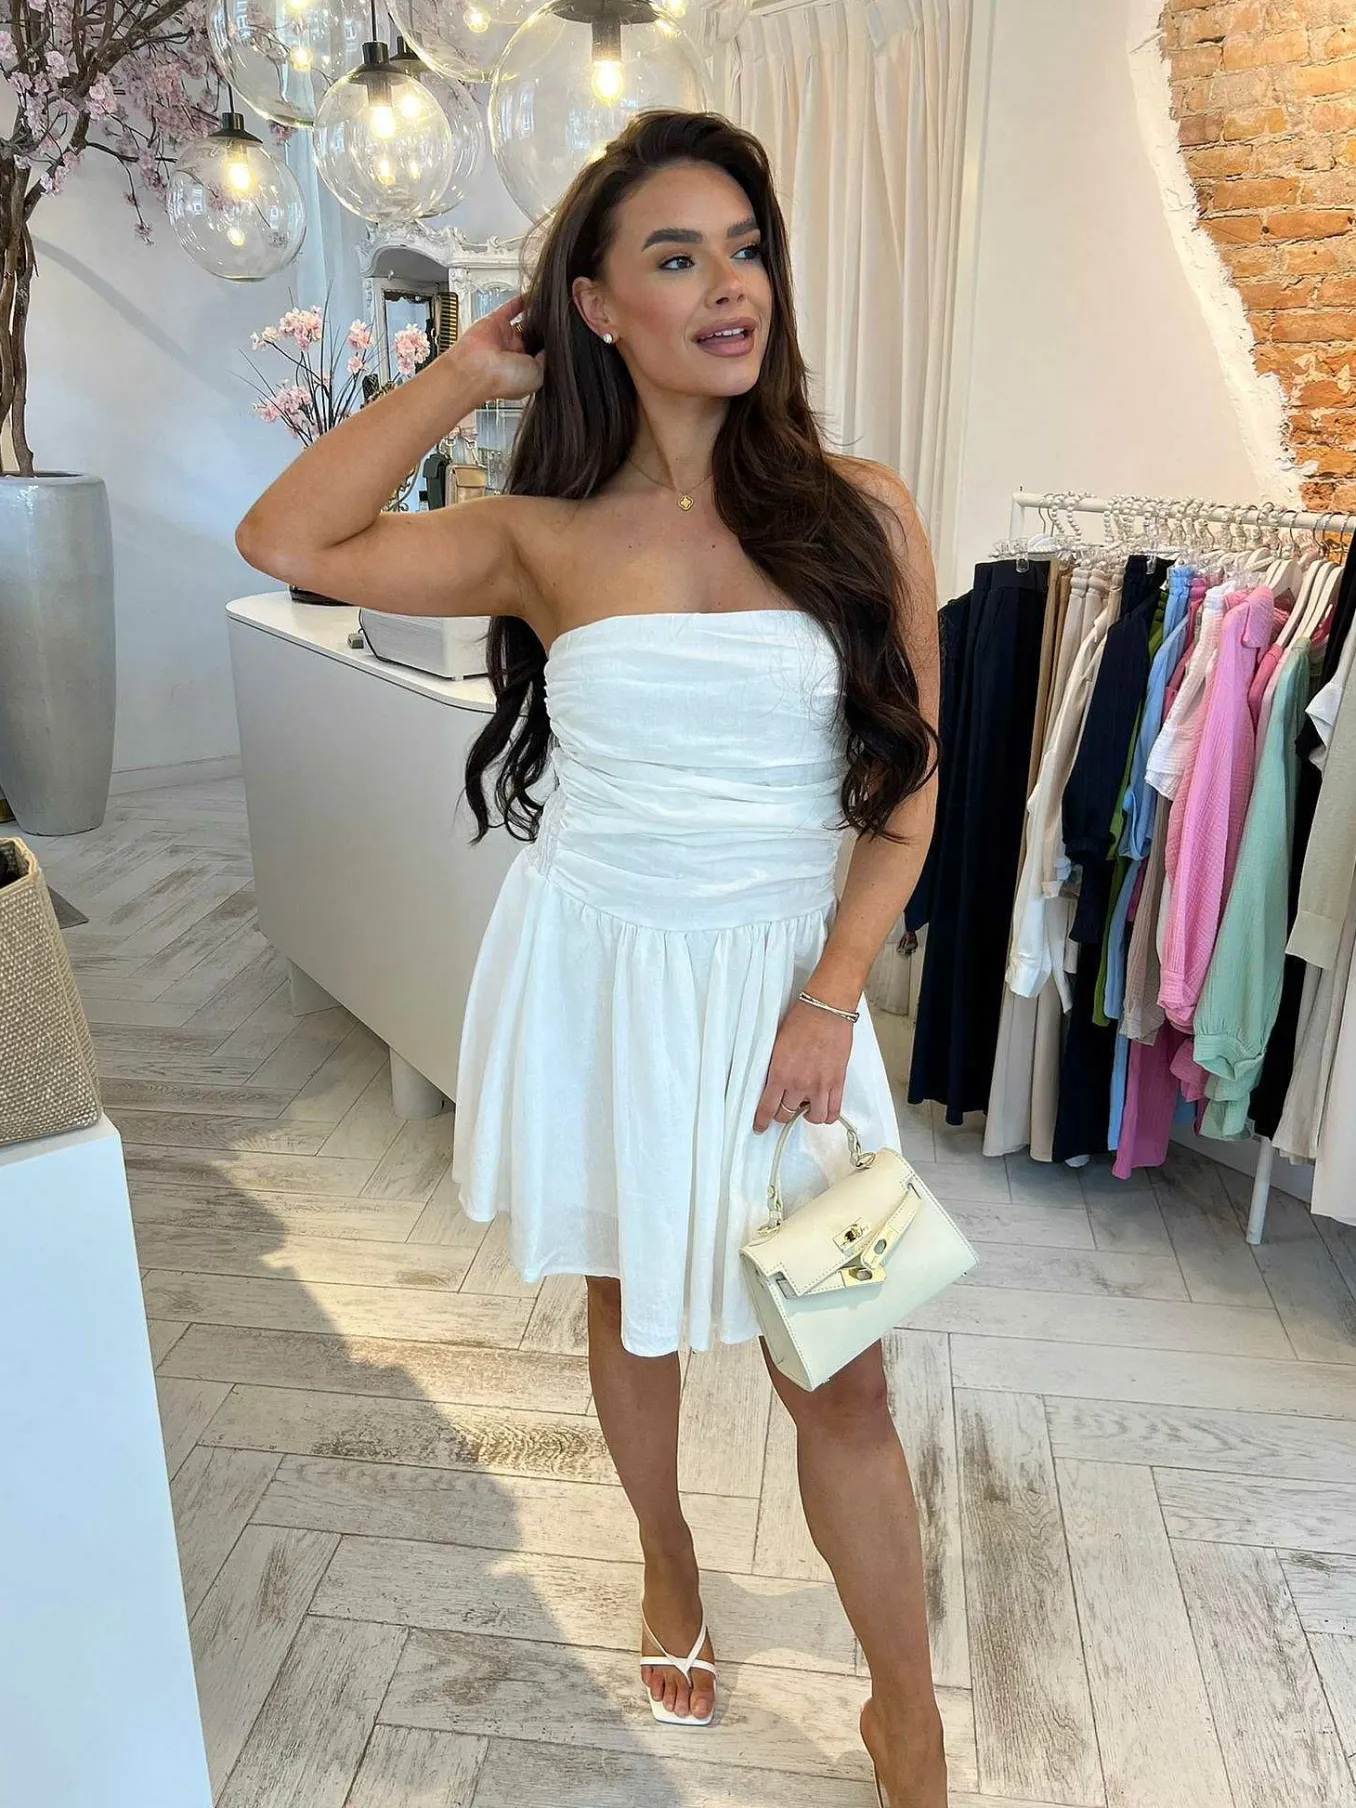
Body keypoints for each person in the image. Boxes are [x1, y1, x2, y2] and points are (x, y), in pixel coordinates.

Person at [236, 107, 942, 1808]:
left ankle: (908, 1714)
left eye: (746, 249)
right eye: (676, 258)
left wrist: (830, 999)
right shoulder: (538, 532)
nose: (730, 286)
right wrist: (464, 377)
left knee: (846, 1369)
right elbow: (287, 542)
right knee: (632, 1305)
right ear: (599, 307)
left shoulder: (861, 510)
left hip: (796, 1002)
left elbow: (912, 788)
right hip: (606, 985)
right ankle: (666, 1556)